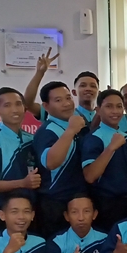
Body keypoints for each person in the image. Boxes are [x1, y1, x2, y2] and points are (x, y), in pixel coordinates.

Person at [32, 81, 89, 237]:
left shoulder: (78, 124)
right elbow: (51, 162)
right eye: (58, 100)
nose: (66, 103)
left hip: (79, 199)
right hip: (55, 202)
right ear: (46, 106)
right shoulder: (47, 131)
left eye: (68, 98)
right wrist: (70, 131)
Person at [0, 87, 39, 234]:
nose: (15, 109)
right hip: (1, 213)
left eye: (18, 104)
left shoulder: (31, 139)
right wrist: (23, 183)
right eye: (7, 105)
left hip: (29, 211)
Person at [82, 89, 127, 231]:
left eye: (119, 106)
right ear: (98, 110)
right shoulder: (94, 138)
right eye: (109, 106)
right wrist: (111, 147)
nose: (115, 111)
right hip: (106, 203)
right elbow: (90, 175)